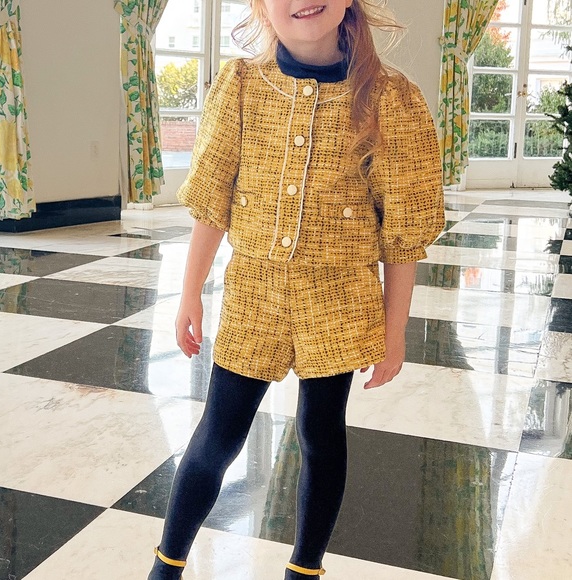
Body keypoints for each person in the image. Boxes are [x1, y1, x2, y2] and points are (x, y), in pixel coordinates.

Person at [148, 0, 445, 578]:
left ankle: (305, 569)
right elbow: (211, 202)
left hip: (340, 301)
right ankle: (166, 566)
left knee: (321, 436)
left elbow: (402, 233)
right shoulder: (239, 86)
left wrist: (394, 334)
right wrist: (189, 292)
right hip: (253, 297)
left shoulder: (391, 99)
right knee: (217, 436)